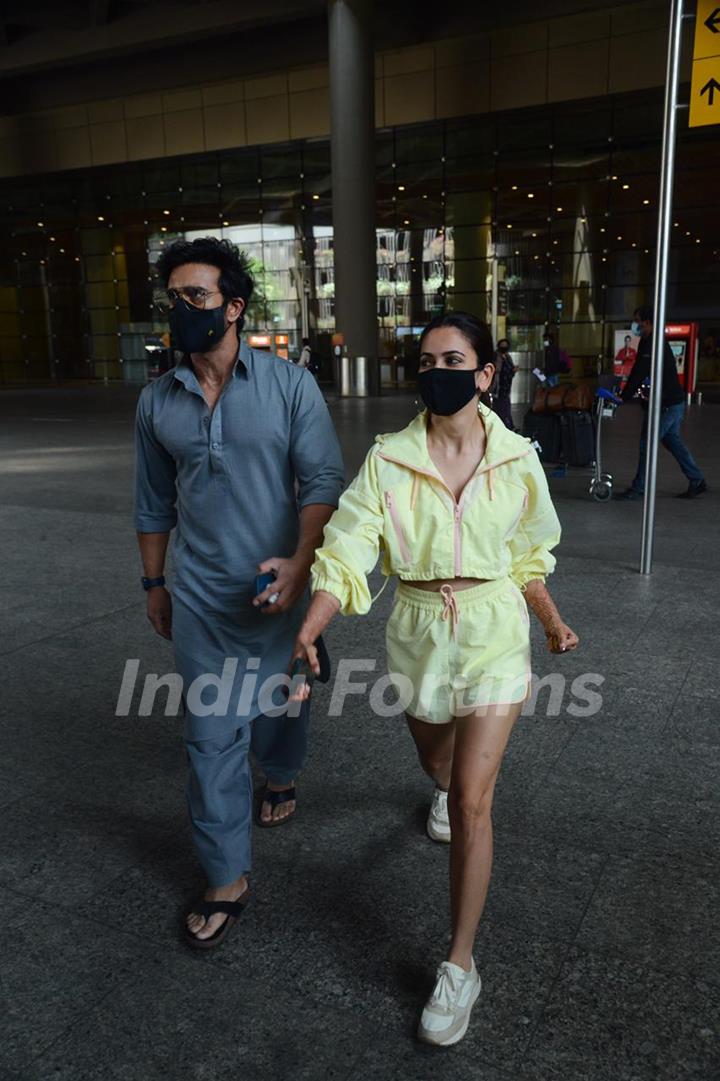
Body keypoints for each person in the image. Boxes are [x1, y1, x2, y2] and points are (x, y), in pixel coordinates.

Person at [287, 311, 578, 1046]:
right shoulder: (389, 459)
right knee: (437, 764)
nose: (436, 370)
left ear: (485, 373)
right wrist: (313, 621)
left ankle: (460, 964)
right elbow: (348, 544)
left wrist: (547, 616)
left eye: (454, 358)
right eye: (425, 359)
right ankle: (441, 788)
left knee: (476, 803)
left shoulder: (518, 459)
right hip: (416, 626)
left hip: (493, 629)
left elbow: (529, 552)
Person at [134, 237, 344, 947]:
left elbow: (321, 484)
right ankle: (227, 876)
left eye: (197, 296)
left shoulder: (289, 386)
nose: (184, 309)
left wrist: (298, 562)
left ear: (235, 306)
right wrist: (155, 583)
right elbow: (152, 501)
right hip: (198, 597)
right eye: (176, 299)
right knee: (210, 736)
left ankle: (281, 774)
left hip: (277, 588)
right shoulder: (156, 400)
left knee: (282, 706)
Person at [615, 305, 707, 500]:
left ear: (647, 322)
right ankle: (697, 479)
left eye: (638, 321)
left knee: (646, 444)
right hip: (672, 402)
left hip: (666, 405)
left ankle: (639, 488)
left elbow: (639, 372)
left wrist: (623, 396)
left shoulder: (652, 343)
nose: (636, 325)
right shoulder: (650, 341)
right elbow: (643, 372)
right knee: (672, 442)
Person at [492, 338, 517, 430]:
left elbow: (510, 370)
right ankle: (507, 426)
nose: (504, 347)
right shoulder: (495, 356)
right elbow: (495, 369)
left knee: (505, 405)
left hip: (507, 385)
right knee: (501, 406)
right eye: (502, 345)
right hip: (498, 386)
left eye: (505, 346)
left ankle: (509, 425)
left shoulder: (508, 356)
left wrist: (513, 370)